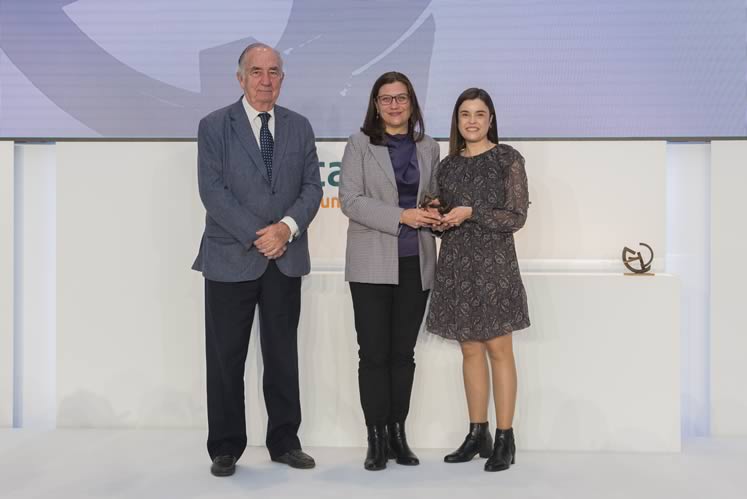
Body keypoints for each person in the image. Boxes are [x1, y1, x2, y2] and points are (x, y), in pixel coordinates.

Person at [192, 42, 323, 476]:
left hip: (285, 257)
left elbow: (312, 188)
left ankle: (285, 441)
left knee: (282, 355)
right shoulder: (214, 126)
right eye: (256, 71)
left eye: (274, 72)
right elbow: (213, 192)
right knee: (226, 358)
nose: (266, 80)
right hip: (230, 257)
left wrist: (286, 228)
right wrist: (260, 236)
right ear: (240, 78)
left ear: (282, 78)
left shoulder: (300, 126)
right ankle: (225, 446)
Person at [339, 71, 442, 471]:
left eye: (401, 98)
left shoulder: (429, 147)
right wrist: (402, 215)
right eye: (386, 98)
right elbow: (350, 200)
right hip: (370, 264)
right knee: (373, 355)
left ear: (412, 103)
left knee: (403, 355)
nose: (394, 105)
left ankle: (399, 434)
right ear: (376, 105)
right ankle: (376, 438)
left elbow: (431, 197)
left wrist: (434, 210)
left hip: (417, 262)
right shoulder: (359, 143)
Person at [426, 88, 530, 472]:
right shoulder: (447, 166)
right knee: (469, 350)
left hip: (495, 266)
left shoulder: (507, 159)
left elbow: (516, 216)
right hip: (457, 266)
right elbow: (443, 216)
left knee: (499, 349)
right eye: (465, 114)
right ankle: (477, 433)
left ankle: (505, 437)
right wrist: (438, 218)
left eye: (479, 114)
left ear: (491, 120)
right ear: (457, 121)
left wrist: (471, 212)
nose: (472, 121)